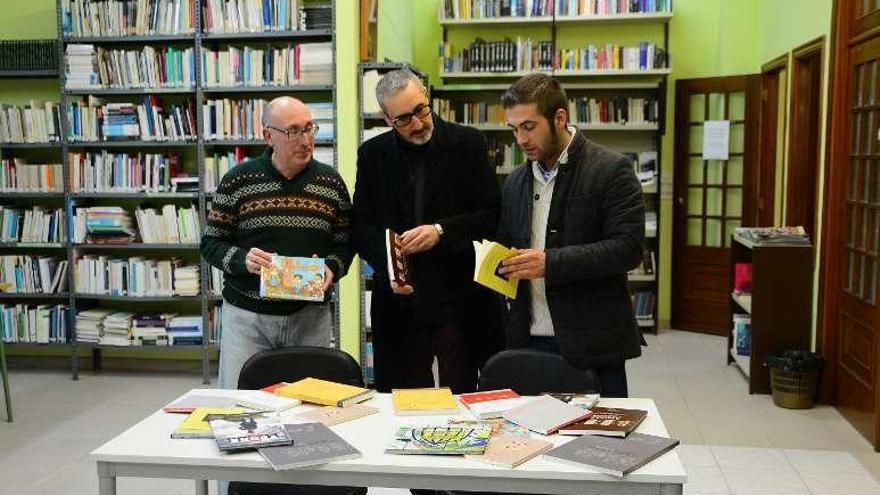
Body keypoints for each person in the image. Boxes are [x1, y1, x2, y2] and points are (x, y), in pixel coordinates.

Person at [351, 68, 502, 394]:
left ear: (428, 98)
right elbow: (361, 225)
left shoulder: (469, 144)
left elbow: (491, 214)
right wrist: (390, 262)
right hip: (400, 300)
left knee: (463, 397)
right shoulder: (372, 155)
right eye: (404, 119)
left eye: (421, 110)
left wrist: (441, 231)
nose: (418, 124)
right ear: (386, 117)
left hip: (458, 296)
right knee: (403, 401)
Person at [496, 74, 645, 398]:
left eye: (529, 126)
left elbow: (629, 248)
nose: (520, 139)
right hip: (528, 338)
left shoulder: (611, 169)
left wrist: (551, 263)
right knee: (531, 442)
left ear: (559, 118)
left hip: (593, 341)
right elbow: (507, 241)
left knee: (600, 446)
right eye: (514, 129)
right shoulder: (516, 180)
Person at [201, 96, 353, 391]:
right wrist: (242, 259)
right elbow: (211, 242)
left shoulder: (331, 183)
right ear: (268, 136)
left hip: (309, 318)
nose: (305, 140)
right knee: (240, 404)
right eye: (293, 131)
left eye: (310, 129)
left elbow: (345, 243)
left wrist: (333, 268)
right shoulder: (238, 181)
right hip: (248, 318)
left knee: (310, 405)